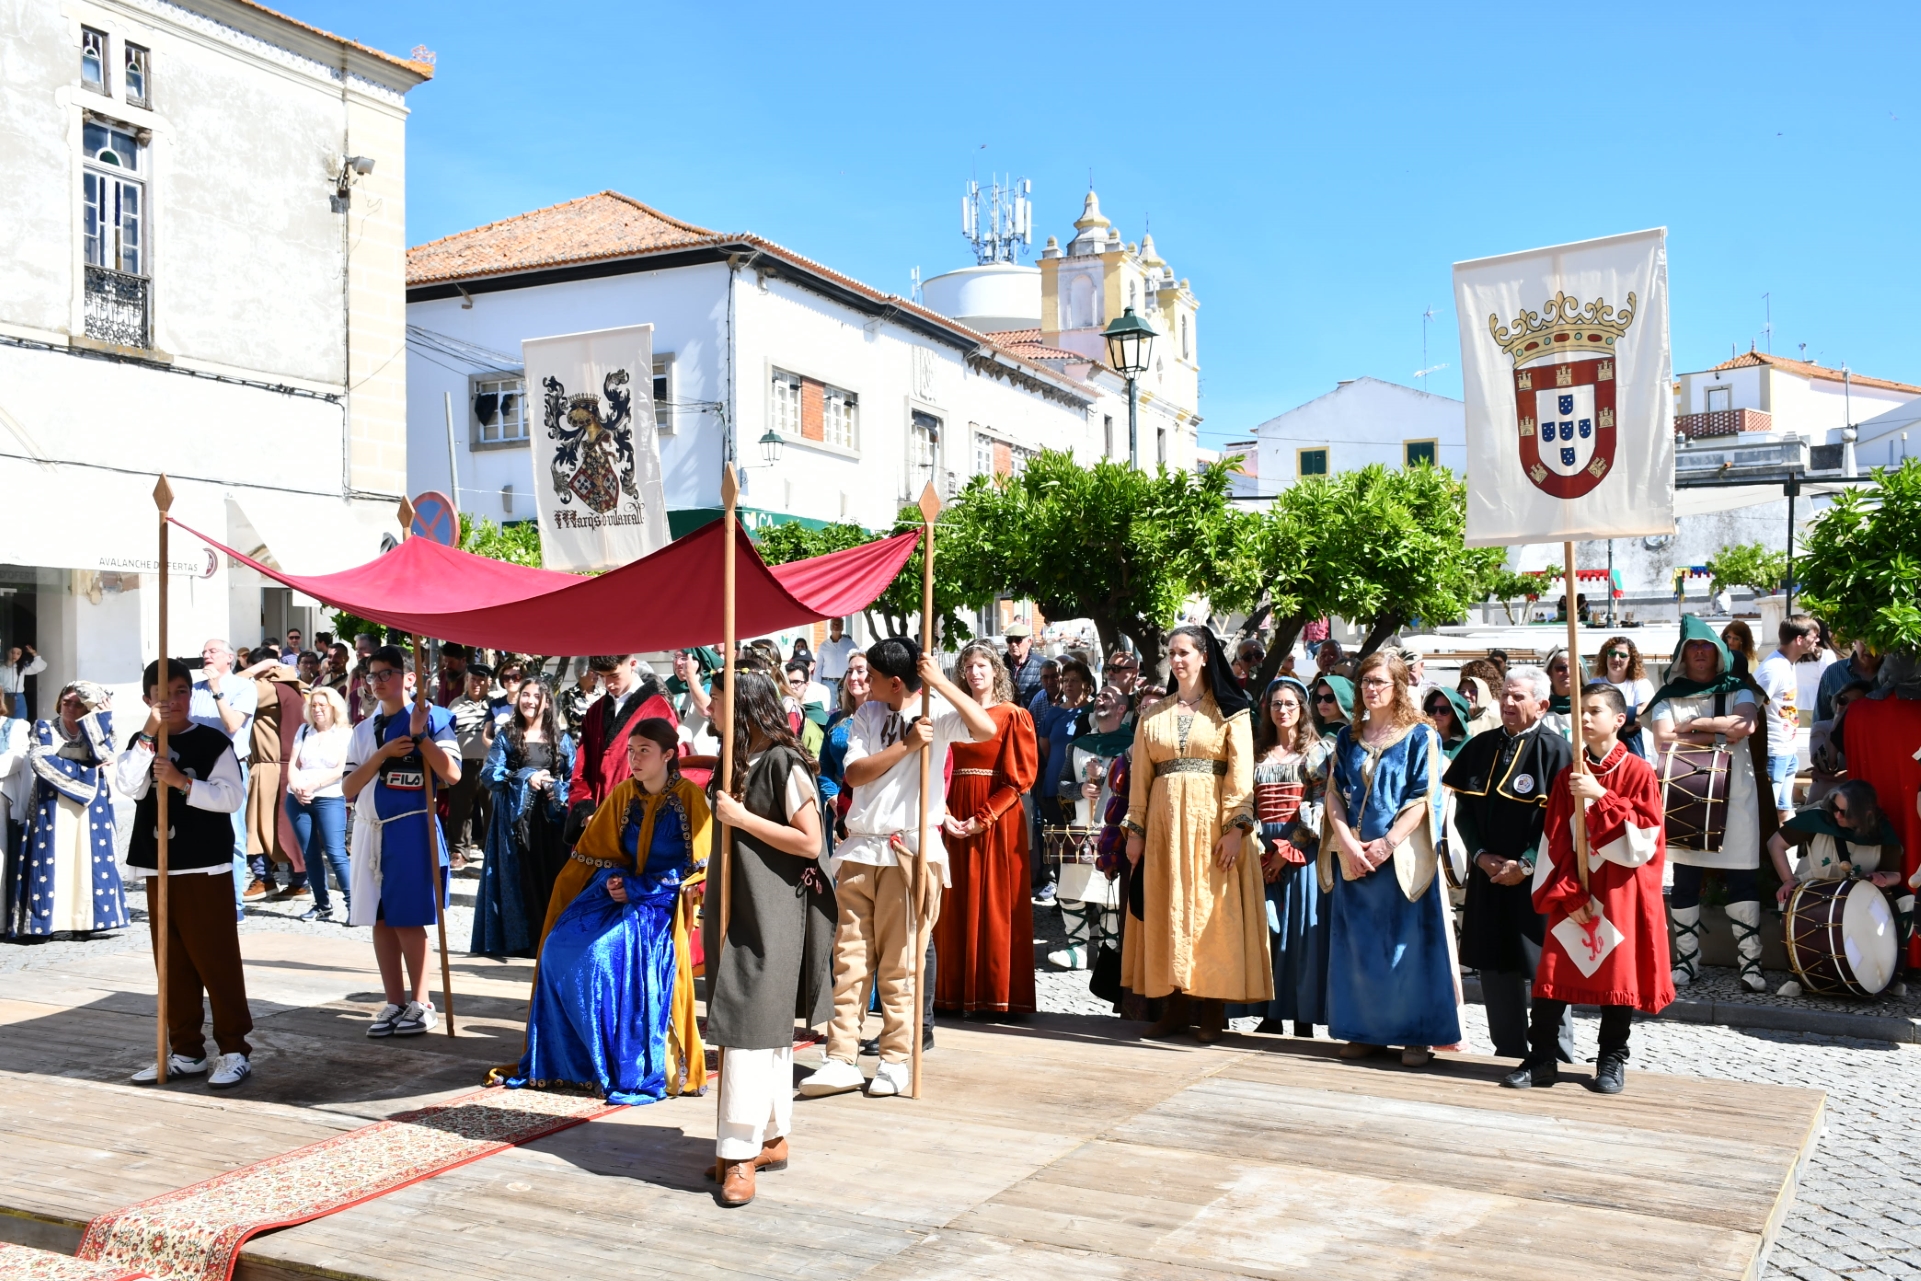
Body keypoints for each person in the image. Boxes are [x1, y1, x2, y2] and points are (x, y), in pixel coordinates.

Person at [798, 639, 996, 1099]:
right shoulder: (868, 715)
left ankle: (894, 1058)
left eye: (872, 677)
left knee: (900, 963)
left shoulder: (937, 712)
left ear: (894, 681)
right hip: (861, 850)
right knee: (849, 960)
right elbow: (855, 774)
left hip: (910, 849)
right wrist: (908, 745)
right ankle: (841, 1056)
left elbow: (985, 728)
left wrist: (941, 681)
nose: (863, 684)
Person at [502, 719, 708, 1106]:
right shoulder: (624, 794)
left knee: (599, 954)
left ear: (668, 755)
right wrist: (613, 880)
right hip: (621, 893)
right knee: (558, 946)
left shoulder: (689, 799)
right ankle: (570, 1064)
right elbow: (600, 851)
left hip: (663, 904)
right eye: (631, 750)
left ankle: (617, 1065)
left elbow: (699, 867)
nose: (634, 758)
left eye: (644, 750)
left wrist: (638, 888)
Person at [702, 671, 837, 1207]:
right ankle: (774, 1136)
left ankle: (738, 1153)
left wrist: (741, 817)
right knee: (763, 1026)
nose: (710, 711)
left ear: (743, 707)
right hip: (739, 906)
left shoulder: (783, 761)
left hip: (773, 909)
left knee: (748, 1022)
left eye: (717, 703)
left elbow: (810, 841)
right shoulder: (734, 761)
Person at [1505, 683, 1672, 1094]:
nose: (1583, 718)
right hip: (1575, 889)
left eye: (1593, 711)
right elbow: (1555, 839)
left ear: (1618, 720)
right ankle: (1542, 1057)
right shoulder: (1569, 774)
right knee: (1553, 974)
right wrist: (1568, 891)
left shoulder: (1638, 772)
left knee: (1618, 978)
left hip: (1619, 888)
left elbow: (1643, 843)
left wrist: (1600, 796)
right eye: (1580, 710)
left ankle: (1611, 1058)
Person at [1121, 626, 1270, 1042]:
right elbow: (1140, 779)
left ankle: (1211, 1009)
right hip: (1164, 831)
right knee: (1169, 912)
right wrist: (1135, 831)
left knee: (1210, 914)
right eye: (1172, 653)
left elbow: (1240, 778)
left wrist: (1236, 829)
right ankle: (1177, 1006)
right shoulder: (1153, 715)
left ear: (1205, 656)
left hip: (1211, 827)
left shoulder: (1231, 711)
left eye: (1185, 652)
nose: (1177, 660)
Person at [114, 659, 253, 1088]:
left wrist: (182, 782)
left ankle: (233, 1048)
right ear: (147, 699)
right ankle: (186, 1049)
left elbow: (231, 796)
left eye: (179, 691)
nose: (171, 701)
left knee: (216, 960)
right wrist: (148, 733)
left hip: (204, 866)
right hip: (160, 867)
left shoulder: (213, 742)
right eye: (161, 693)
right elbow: (127, 783)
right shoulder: (142, 743)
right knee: (171, 963)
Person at [1323, 651, 1459, 1067]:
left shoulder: (1421, 735)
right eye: (1365, 681)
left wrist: (1386, 844)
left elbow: (1423, 797)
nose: (1370, 688)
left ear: (1399, 687)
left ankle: (1416, 1034)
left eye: (1379, 681)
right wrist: (1348, 843)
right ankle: (1367, 1031)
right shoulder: (1348, 737)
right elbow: (1334, 792)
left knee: (1409, 946)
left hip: (1402, 859)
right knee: (1360, 947)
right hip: (1356, 857)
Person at [1444, 667, 1574, 1064]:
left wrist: (1528, 863)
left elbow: (1562, 821)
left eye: (1518, 697)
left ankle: (1554, 1055)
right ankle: (1507, 1053)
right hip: (1489, 876)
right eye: (1505, 695)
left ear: (1542, 704)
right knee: (1495, 967)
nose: (1508, 703)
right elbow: (1463, 812)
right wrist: (1480, 856)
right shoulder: (1481, 746)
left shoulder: (1556, 751)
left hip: (1538, 879)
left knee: (1545, 970)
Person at [341, 645, 461, 1037]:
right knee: (379, 916)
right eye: (372, 675)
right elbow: (348, 787)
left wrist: (418, 736)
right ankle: (393, 1000)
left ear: (409, 677)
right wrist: (383, 755)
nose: (377, 682)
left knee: (407, 916)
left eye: (386, 673)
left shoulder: (436, 718)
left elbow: (452, 774)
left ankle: (422, 1000)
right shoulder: (363, 729)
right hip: (372, 828)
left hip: (412, 827)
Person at [1651, 616, 1773, 992]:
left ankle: (1750, 964)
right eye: (1693, 646)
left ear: (1718, 652)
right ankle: (1687, 962)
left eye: (1706, 645)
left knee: (1742, 879)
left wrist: (1695, 727)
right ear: (1682, 654)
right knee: (1686, 883)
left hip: (1736, 798)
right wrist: (1718, 732)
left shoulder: (1740, 689)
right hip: (1687, 801)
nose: (1700, 652)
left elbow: (1745, 727)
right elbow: (1661, 740)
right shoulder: (1669, 695)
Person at [933, 643, 1039, 1017]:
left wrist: (983, 818)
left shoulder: (1014, 715)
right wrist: (943, 812)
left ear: (996, 671)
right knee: (952, 901)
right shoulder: (951, 717)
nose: (974, 672)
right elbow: (936, 770)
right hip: (952, 813)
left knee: (992, 902)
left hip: (995, 818)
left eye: (981, 665)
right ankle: (951, 993)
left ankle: (993, 994)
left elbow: (1019, 778)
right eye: (968, 667)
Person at [1229, 676, 1329, 1037]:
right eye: (1275, 704)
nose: (1282, 710)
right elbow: (1245, 801)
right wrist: (1257, 848)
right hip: (1259, 848)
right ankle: (1270, 1012)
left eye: (1289, 704)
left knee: (1299, 937)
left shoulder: (1317, 752)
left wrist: (1284, 854)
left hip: (1300, 851)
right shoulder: (1256, 753)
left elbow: (1319, 806)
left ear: (1301, 708)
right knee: (1266, 933)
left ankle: (1302, 1018)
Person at [473, 678, 575, 958]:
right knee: (521, 879)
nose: (530, 700)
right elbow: (489, 775)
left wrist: (553, 785)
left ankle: (552, 941)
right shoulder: (508, 735)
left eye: (536, 695)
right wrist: (527, 776)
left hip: (551, 821)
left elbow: (574, 780)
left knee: (552, 876)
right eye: (525, 695)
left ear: (548, 702)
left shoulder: (562, 738)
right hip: (514, 822)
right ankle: (523, 942)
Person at [18, 681, 127, 937]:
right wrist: (87, 774)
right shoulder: (44, 727)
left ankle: (86, 922)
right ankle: (47, 923)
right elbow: (40, 761)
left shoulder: (98, 728)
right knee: (56, 861)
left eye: (78, 703)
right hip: (52, 804)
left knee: (85, 862)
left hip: (90, 809)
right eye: (66, 701)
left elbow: (104, 754)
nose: (70, 706)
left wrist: (98, 720)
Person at [1050, 679, 1131, 970]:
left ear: (1122, 708)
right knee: (1071, 890)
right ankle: (1077, 949)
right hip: (1082, 828)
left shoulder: (1133, 747)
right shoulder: (1077, 746)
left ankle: (1111, 950)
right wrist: (1081, 789)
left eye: (1109, 697)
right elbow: (1062, 784)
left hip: (1116, 831)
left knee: (1112, 897)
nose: (1100, 700)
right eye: (1099, 697)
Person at [566, 655, 673, 842]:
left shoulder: (658, 709)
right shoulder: (595, 711)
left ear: (632, 664)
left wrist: (628, 815)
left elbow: (662, 772)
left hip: (636, 822)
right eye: (602, 676)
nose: (608, 684)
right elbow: (580, 770)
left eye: (614, 676)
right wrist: (587, 812)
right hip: (595, 819)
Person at [192, 638, 258, 905]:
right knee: (195, 834)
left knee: (233, 836)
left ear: (229, 658)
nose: (206, 655)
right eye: (204, 651)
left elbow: (232, 725)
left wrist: (217, 689)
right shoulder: (193, 690)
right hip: (195, 768)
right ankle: (200, 898)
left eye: (213, 651)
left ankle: (233, 902)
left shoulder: (243, 687)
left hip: (229, 767)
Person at [240, 655, 307, 899]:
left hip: (271, 767)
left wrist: (257, 668)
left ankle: (264, 878)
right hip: (280, 765)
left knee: (256, 827)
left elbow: (231, 686)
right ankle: (296, 881)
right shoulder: (294, 689)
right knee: (281, 827)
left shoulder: (269, 688)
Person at [286, 686, 352, 923]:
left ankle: (353, 904)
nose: (317, 710)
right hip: (298, 798)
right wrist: (296, 787)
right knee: (309, 853)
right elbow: (293, 763)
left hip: (329, 797)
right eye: (313, 705)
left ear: (333, 707)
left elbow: (339, 769)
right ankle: (322, 904)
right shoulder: (304, 731)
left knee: (335, 852)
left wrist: (312, 786)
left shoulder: (345, 733)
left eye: (322, 705)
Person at [1755, 616, 1820, 825]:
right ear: (1799, 639)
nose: (1817, 640)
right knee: (1766, 815)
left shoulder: (1787, 664)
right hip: (1773, 752)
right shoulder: (1773, 669)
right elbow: (1752, 706)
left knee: (1783, 812)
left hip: (1787, 750)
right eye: (1814, 636)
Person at [816, 652, 870, 854]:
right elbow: (824, 767)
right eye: (849, 671)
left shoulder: (884, 719)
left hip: (871, 804)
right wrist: (834, 801)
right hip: (837, 805)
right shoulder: (836, 720)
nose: (853, 677)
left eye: (860, 671)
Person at [445, 664, 497, 866]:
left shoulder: (495, 704)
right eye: (473, 679)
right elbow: (447, 733)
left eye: (481, 680)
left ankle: (491, 850)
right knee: (460, 809)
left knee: (492, 808)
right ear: (467, 680)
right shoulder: (455, 705)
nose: (477, 683)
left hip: (490, 764)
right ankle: (459, 851)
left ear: (489, 682)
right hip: (462, 764)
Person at [1592, 637, 1655, 759]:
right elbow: (1591, 716)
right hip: (1602, 751)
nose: (1616, 659)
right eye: (1612, 653)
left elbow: (1646, 715)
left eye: (1622, 655)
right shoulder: (1594, 684)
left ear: (1631, 660)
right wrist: (1628, 721)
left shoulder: (1641, 684)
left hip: (1636, 750)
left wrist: (1605, 715)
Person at [1817, 638, 1882, 723]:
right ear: (1855, 641)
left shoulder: (1896, 674)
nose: (1870, 649)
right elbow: (1821, 721)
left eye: (1877, 643)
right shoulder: (1833, 672)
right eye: (1865, 642)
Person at [816, 618, 858, 708]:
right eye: (833, 623)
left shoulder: (850, 644)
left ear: (843, 626)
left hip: (843, 682)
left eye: (839, 623)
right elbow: (818, 669)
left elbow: (857, 662)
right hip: (827, 683)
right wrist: (817, 686)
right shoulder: (823, 646)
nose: (836, 625)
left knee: (844, 709)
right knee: (827, 710)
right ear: (830, 625)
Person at [1004, 624, 1047, 709]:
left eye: (1018, 640)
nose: (1013, 644)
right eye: (1009, 640)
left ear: (1029, 642)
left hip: (1033, 715)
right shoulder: (1000, 665)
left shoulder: (1042, 665)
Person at [1422, 687, 1471, 760]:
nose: (1437, 714)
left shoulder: (1468, 744)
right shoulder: (1420, 741)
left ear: (1455, 714)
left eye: (1443, 710)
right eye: (1432, 710)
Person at [2, 644, 46, 722]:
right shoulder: (1, 668)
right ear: (7, 652)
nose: (15, 655)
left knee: (19, 724)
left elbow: (40, 666)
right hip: (3, 697)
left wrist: (34, 653)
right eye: (13, 652)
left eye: (18, 653)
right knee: (4, 723)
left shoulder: (22, 667)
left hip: (18, 697)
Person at [557, 663, 601, 742]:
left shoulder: (603, 693)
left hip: (599, 745)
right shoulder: (568, 694)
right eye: (592, 670)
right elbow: (573, 719)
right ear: (581, 672)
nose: (597, 673)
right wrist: (598, 715)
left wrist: (582, 714)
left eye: (597, 670)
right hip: (576, 746)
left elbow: (608, 718)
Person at [1539, 648, 1575, 738]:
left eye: (1574, 667)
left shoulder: (1591, 709)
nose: (1568, 673)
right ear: (1549, 673)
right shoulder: (1538, 709)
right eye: (1561, 668)